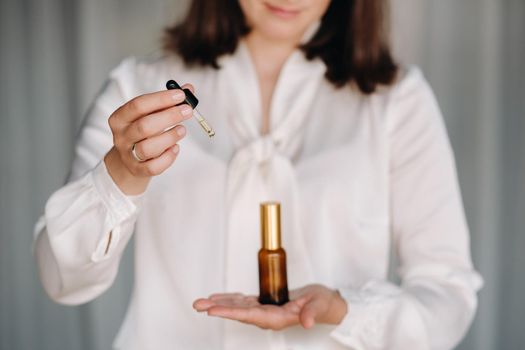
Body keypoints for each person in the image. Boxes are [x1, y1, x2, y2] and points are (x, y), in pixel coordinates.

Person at [33, 0, 483, 349]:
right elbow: (60, 279)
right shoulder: (137, 88)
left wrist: (345, 310)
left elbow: (447, 295)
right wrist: (122, 175)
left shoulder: (396, 101)